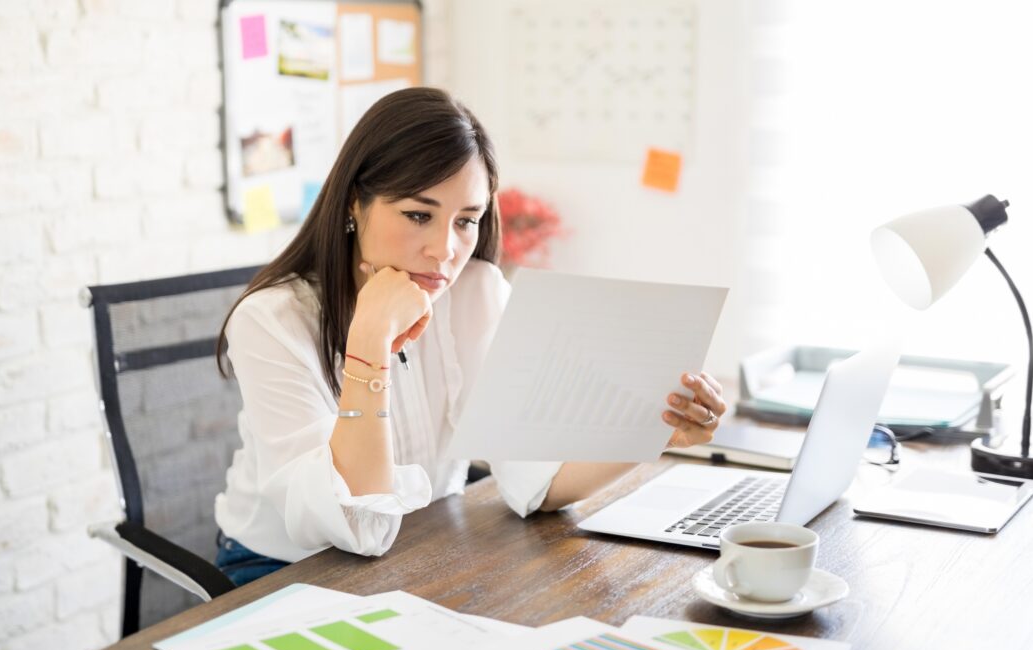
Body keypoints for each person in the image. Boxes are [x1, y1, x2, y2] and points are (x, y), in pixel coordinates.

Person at [212, 87, 727, 586]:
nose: (445, 250)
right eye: (418, 215)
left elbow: (536, 483)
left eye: (467, 221)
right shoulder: (271, 320)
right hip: (282, 572)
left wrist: (653, 431)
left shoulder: (476, 292)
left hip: (420, 553)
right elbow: (356, 527)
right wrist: (368, 343)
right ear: (353, 203)